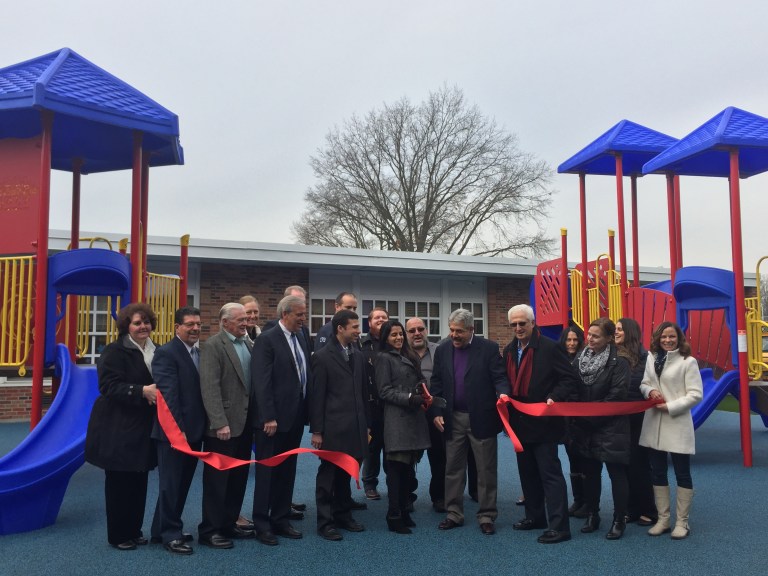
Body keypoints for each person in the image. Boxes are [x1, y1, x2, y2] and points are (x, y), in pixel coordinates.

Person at [85, 302, 158, 551]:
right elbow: (107, 386)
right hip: (117, 426)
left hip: (143, 426)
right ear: (127, 326)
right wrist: (141, 391)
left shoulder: (155, 350)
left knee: (140, 478)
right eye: (137, 323)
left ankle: (134, 530)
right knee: (119, 482)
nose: (143, 326)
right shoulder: (115, 351)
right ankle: (118, 534)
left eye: (146, 322)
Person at [430, 308, 510, 536]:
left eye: (459, 332)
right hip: (452, 418)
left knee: (485, 470)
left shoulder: (489, 348)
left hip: (482, 418)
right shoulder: (443, 348)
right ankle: (453, 513)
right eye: (452, 330)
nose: (454, 335)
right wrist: (436, 409)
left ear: (471, 330)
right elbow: (436, 382)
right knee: (453, 468)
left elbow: (499, 377)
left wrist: (503, 394)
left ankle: (486, 515)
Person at [504, 304, 578, 545]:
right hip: (519, 423)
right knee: (527, 475)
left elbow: (568, 379)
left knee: (550, 476)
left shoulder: (549, 348)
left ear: (533, 323)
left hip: (544, 423)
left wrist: (554, 397)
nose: (518, 328)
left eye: (522, 323)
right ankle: (535, 517)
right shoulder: (508, 350)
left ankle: (560, 527)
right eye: (514, 324)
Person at [251, 294, 310, 545]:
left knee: (287, 471)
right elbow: (261, 382)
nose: (303, 319)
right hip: (272, 422)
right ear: (285, 314)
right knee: (267, 474)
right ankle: (262, 524)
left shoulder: (302, 335)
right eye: (299, 314)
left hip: (295, 418)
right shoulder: (267, 340)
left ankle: (281, 519)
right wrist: (269, 416)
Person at [149, 307, 206, 555]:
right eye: (189, 324)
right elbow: (169, 397)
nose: (194, 328)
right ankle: (171, 534)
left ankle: (160, 529)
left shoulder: (199, 353)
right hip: (173, 434)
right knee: (170, 484)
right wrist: (178, 433)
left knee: (182, 484)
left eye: (198, 324)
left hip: (195, 432)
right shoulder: (166, 353)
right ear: (177, 328)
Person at [309, 309, 369, 541]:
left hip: (356, 427)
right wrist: (317, 430)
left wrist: (367, 425)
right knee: (328, 478)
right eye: (354, 327)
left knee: (346, 474)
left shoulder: (358, 355)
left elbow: (363, 393)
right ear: (340, 329)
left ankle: (343, 515)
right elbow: (317, 397)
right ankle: (325, 523)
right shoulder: (322, 357)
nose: (358, 331)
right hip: (332, 429)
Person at [639, 321, 703, 540]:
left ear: (679, 339)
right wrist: (650, 391)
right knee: (657, 472)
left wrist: (670, 406)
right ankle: (663, 519)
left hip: (676, 423)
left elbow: (695, 394)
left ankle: (682, 522)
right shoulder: (651, 357)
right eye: (664, 337)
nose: (667, 340)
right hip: (654, 423)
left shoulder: (688, 361)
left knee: (681, 472)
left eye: (672, 337)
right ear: (658, 338)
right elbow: (644, 382)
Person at [198, 303, 253, 550]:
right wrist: (219, 422)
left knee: (237, 479)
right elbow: (210, 388)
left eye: (246, 319)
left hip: (245, 425)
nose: (245, 323)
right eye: (240, 320)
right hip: (223, 428)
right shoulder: (212, 346)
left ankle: (229, 522)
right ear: (224, 322)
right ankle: (210, 530)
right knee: (217, 481)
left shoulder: (249, 343)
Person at [571, 317, 631, 540]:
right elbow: (572, 387)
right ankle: (592, 515)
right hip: (586, 428)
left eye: (596, 336)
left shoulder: (619, 362)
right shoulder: (579, 358)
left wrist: (588, 417)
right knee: (590, 475)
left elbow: (617, 396)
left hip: (611, 427)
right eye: (589, 334)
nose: (590, 339)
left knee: (616, 474)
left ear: (608, 338)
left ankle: (619, 519)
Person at [376, 320, 431, 534]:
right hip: (397, 419)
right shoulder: (383, 358)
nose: (398, 338)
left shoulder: (408, 355)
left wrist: (421, 391)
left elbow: (416, 381)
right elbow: (384, 391)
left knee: (409, 469)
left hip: (413, 418)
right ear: (385, 339)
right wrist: (410, 397)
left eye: (400, 334)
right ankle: (394, 514)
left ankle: (405, 510)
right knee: (396, 470)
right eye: (393, 335)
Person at [615, 317, 656, 527]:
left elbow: (648, 383)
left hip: (639, 417)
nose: (616, 332)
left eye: (620, 329)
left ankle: (649, 508)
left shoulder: (646, 357)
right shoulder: (613, 355)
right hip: (619, 417)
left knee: (639, 464)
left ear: (629, 332)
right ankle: (631, 508)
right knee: (624, 464)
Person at [405, 317, 445, 513]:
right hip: (411, 414)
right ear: (407, 334)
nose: (417, 333)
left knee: (439, 456)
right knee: (409, 458)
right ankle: (408, 496)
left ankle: (439, 497)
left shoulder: (440, 351)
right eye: (412, 331)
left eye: (420, 329)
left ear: (427, 330)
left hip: (435, 413)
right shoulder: (401, 353)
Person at [360, 306, 390, 500]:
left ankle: (393, 483)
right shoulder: (361, 344)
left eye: (384, 317)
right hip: (370, 405)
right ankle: (370, 484)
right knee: (372, 448)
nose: (380, 319)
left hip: (390, 405)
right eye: (376, 317)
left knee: (391, 446)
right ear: (369, 323)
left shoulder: (393, 342)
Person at [558, 324, 587, 518]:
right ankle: (577, 500)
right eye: (568, 340)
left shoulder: (584, 361)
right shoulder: (559, 360)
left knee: (584, 460)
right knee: (572, 460)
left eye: (575, 340)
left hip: (582, 417)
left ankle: (587, 501)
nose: (571, 343)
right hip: (565, 418)